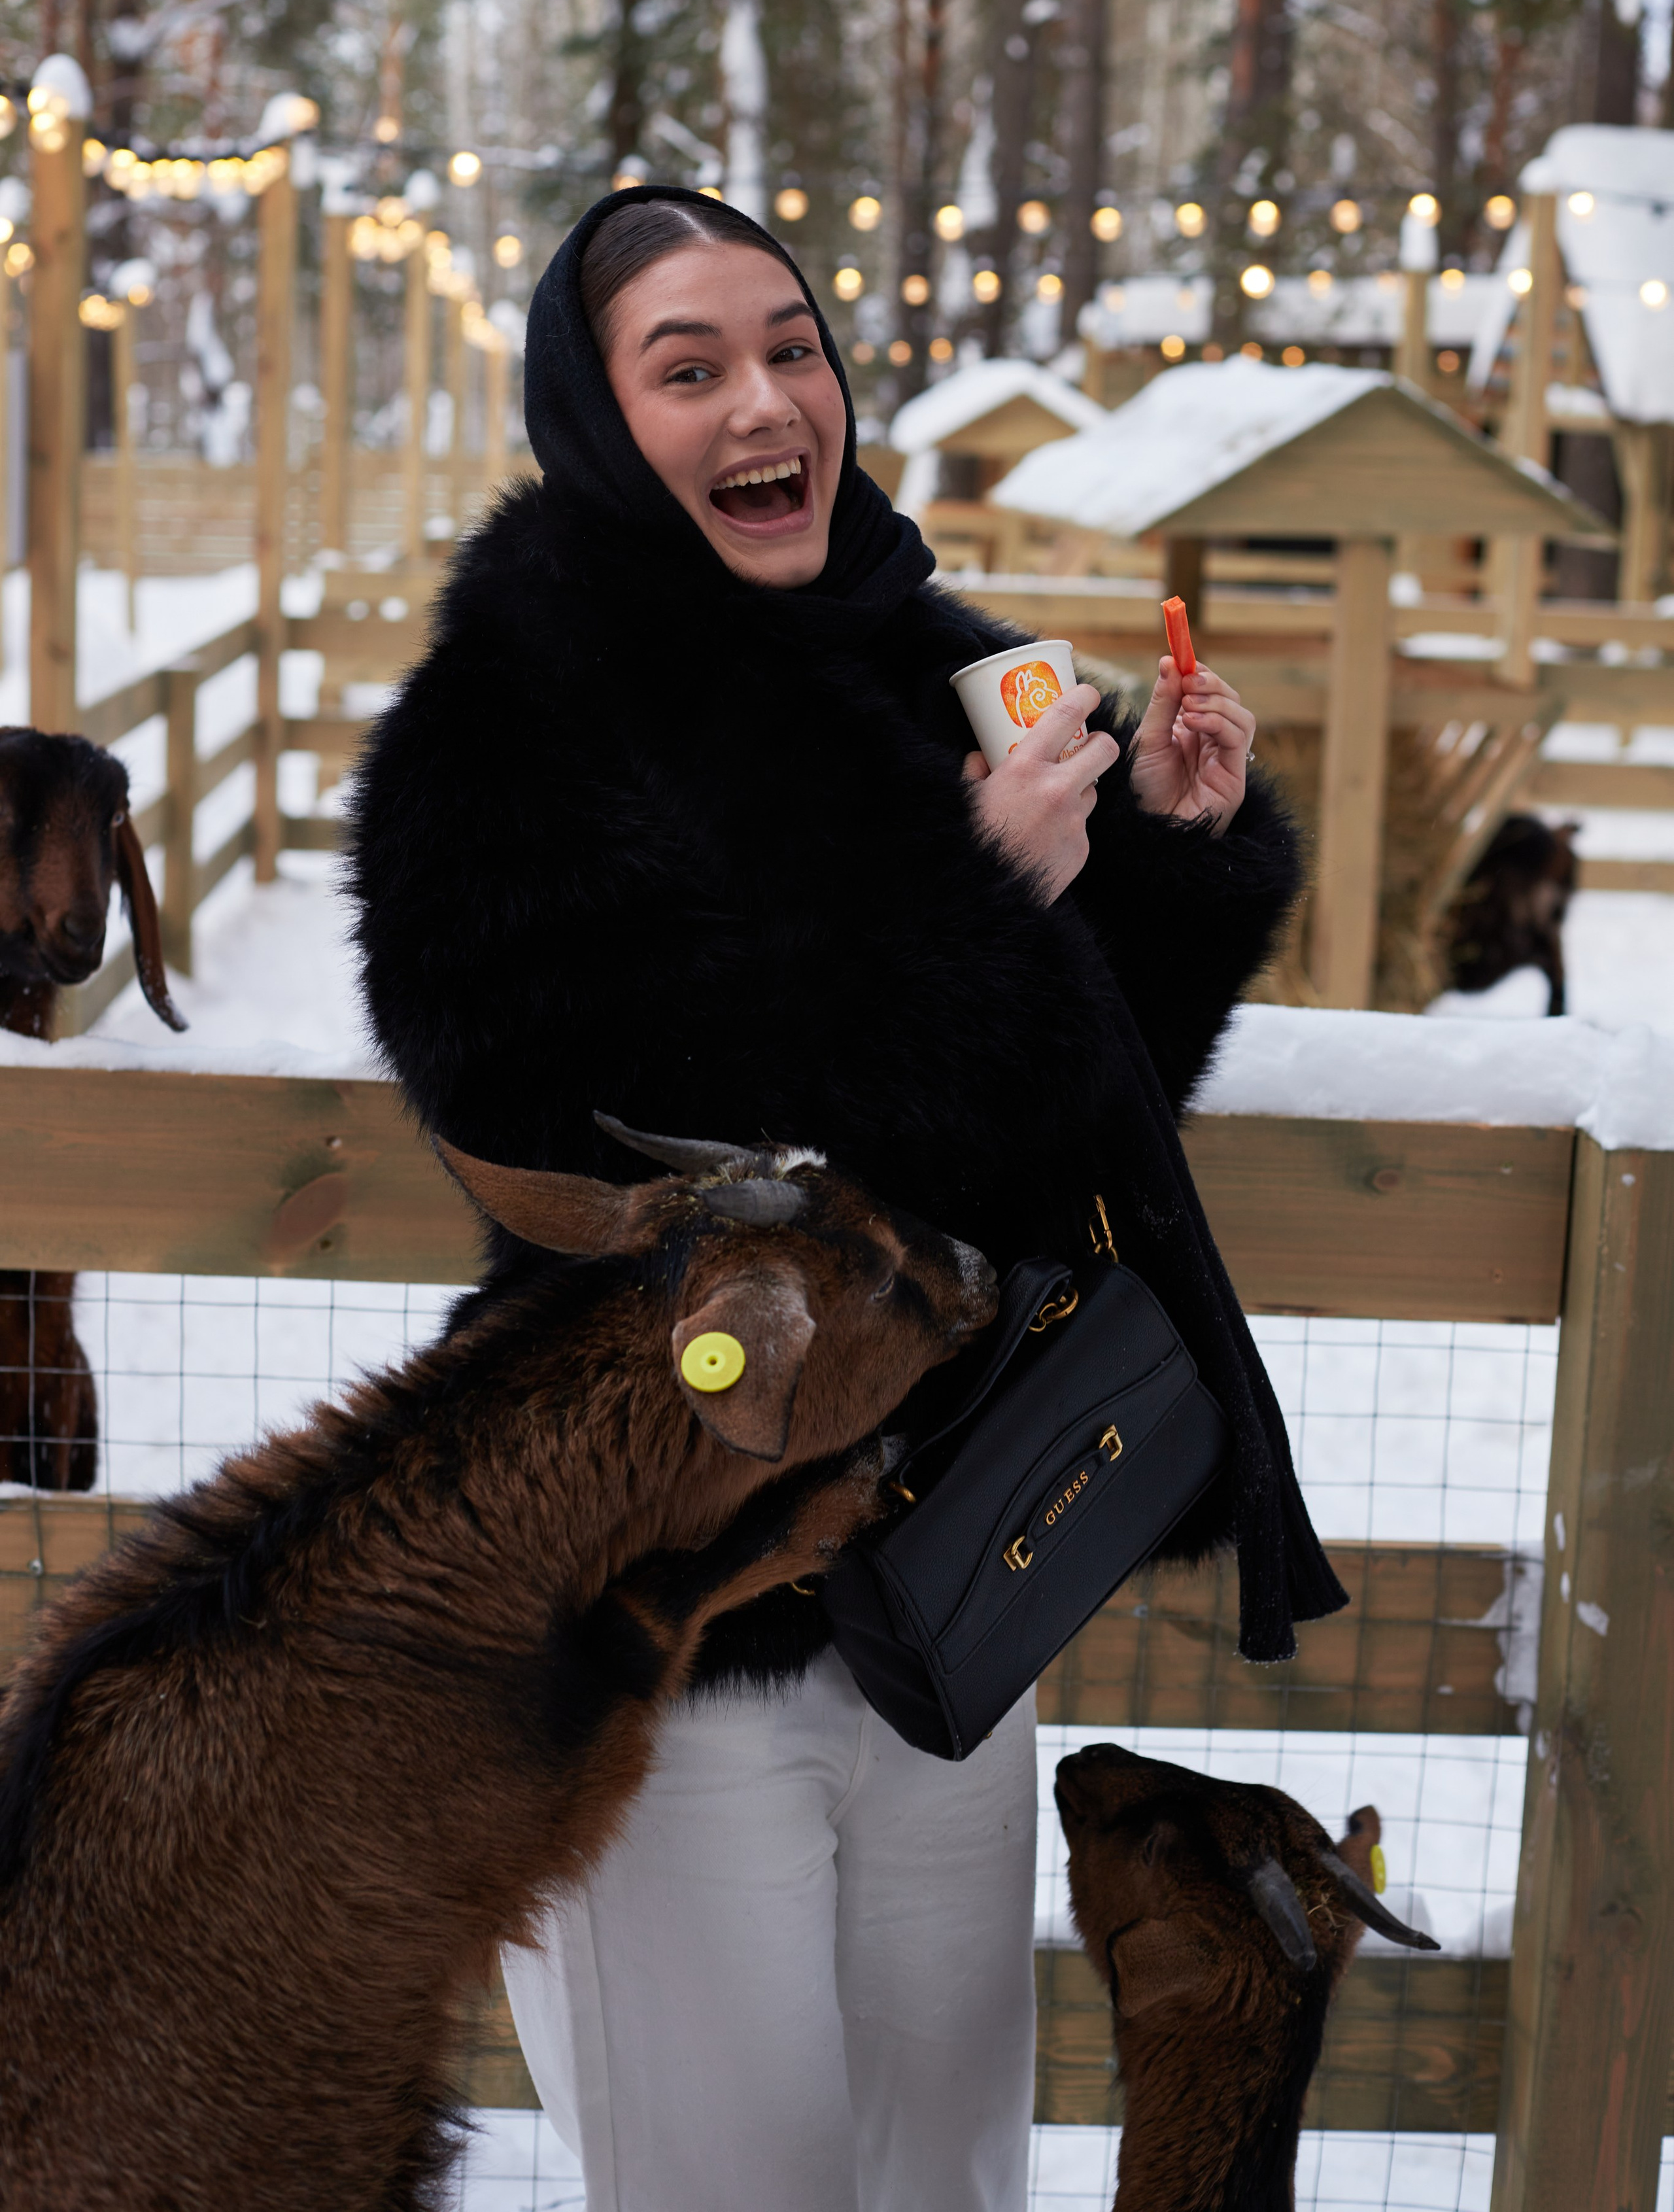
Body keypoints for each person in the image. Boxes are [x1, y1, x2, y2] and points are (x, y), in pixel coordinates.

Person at [348, 185, 1344, 2212]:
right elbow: (553, 1117)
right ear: (595, 418)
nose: (762, 402)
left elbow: (1062, 1094)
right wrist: (971, 906)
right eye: (688, 368)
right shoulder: (507, 723)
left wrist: (1162, 862)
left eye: (790, 347)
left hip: (948, 1582)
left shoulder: (936, 664)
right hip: (669, 1602)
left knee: (946, 2178)